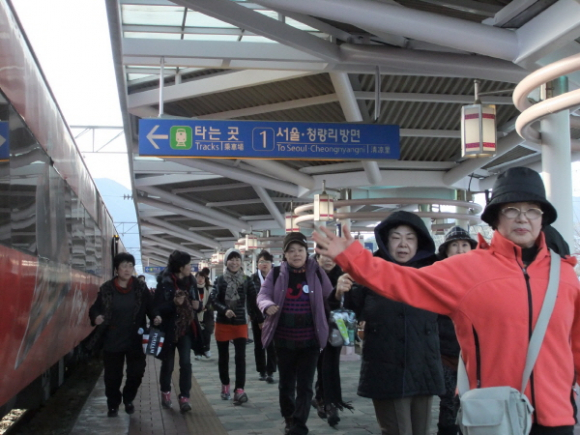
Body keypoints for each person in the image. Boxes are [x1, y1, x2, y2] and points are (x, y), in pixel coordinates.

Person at [314, 167, 580, 435]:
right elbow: (405, 281)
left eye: (532, 210)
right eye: (511, 210)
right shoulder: (468, 269)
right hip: (496, 415)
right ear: (496, 218)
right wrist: (354, 258)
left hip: (557, 416)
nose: (522, 217)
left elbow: (576, 344)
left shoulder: (565, 275)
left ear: (542, 218)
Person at [336, 211, 444, 435]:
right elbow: (347, 317)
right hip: (386, 369)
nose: (403, 244)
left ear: (420, 242)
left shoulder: (434, 274)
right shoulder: (368, 273)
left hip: (423, 367)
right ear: (385, 241)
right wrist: (340, 294)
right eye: (396, 237)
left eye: (410, 238)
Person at [257, 232, 333, 435]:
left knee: (306, 386)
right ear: (285, 254)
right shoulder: (276, 273)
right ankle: (289, 417)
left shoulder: (317, 272)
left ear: (306, 252)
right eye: (291, 250)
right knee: (286, 384)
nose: (296, 254)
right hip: (284, 340)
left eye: (300, 250)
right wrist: (267, 305)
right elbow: (262, 295)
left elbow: (331, 296)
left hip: (310, 340)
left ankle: (299, 425)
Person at [88, 252, 161, 417]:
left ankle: (128, 398)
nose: (127, 269)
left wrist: (156, 316)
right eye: (123, 266)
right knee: (112, 377)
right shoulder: (107, 289)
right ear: (116, 269)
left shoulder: (140, 288)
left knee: (137, 372)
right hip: (113, 338)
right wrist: (96, 317)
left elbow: (151, 307)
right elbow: (95, 308)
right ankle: (113, 404)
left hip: (135, 338)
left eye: (130, 266)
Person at [435, 226, 477, 435]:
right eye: (454, 245)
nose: (460, 249)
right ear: (446, 251)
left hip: (473, 355)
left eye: (464, 245)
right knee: (450, 401)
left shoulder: (481, 277)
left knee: (473, 402)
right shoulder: (437, 276)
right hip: (444, 353)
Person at [154, 250, 202, 413]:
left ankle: (184, 397)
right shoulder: (164, 282)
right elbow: (158, 307)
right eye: (188, 264)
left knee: (186, 363)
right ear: (181, 267)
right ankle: (166, 393)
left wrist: (198, 306)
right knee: (168, 364)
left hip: (186, 329)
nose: (191, 267)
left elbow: (197, 304)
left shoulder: (191, 282)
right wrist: (174, 303)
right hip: (168, 330)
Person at [210, 248, 259, 405]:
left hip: (240, 323)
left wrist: (259, 318)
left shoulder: (246, 280)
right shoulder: (220, 280)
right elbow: (213, 300)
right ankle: (225, 385)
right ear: (226, 262)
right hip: (222, 323)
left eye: (237, 259)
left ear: (241, 262)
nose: (234, 262)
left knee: (240, 358)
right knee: (223, 357)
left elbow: (254, 301)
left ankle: (239, 390)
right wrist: (225, 310)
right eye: (231, 259)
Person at [312, 251, 352, 427]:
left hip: (336, 327)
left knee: (330, 365)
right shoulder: (311, 274)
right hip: (314, 327)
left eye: (332, 257)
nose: (329, 260)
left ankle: (330, 403)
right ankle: (321, 397)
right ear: (317, 257)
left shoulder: (343, 276)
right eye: (324, 256)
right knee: (320, 364)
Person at [249, 250, 277, 383]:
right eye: (261, 261)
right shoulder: (252, 279)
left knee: (272, 344)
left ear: (271, 263)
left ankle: (271, 371)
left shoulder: (277, 277)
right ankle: (261, 371)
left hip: (273, 317)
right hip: (257, 317)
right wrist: (258, 318)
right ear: (257, 264)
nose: (264, 264)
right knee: (259, 344)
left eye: (267, 261)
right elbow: (251, 301)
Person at [194, 271, 214, 360]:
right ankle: (198, 352)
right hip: (195, 314)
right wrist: (197, 308)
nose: (200, 279)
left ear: (205, 279)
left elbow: (213, 302)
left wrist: (207, 307)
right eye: (198, 277)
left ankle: (207, 349)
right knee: (197, 333)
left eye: (202, 278)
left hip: (207, 314)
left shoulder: (210, 289)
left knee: (207, 332)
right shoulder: (192, 289)